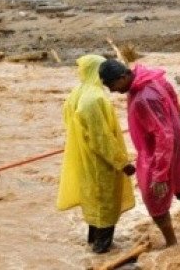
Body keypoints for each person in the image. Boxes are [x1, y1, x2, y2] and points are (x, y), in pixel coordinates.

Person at [98, 59, 180, 248]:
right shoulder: (148, 77)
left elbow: (163, 136)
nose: (111, 91)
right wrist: (175, 116)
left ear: (122, 77)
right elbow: (170, 92)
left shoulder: (144, 97)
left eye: (111, 85)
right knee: (178, 179)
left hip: (160, 147)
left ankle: (172, 244)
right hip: (176, 136)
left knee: (153, 196)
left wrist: (160, 174)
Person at [57, 55, 135, 254]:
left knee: (94, 202)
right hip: (101, 162)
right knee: (105, 206)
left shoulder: (77, 93)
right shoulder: (94, 99)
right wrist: (122, 162)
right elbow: (101, 138)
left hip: (83, 158)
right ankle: (101, 253)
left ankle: (92, 248)